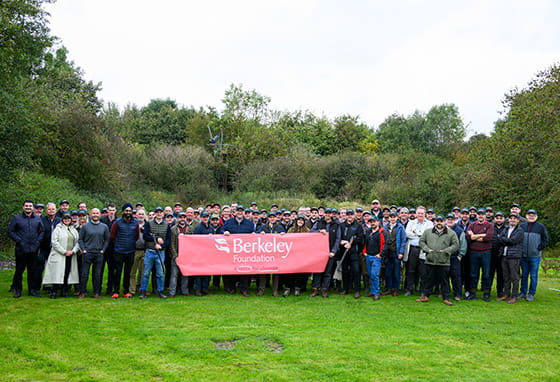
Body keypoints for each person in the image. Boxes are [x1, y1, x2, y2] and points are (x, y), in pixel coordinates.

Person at [416, 214, 459, 306]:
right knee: (428, 279)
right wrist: (427, 249)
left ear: (444, 222)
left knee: (444, 281)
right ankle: (425, 296)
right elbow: (421, 241)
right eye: (437, 221)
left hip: (444, 261)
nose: (439, 223)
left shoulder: (451, 233)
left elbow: (455, 245)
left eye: (441, 221)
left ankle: (446, 298)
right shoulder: (428, 232)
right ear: (434, 222)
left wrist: (446, 251)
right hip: (430, 259)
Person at [8, 200, 44, 298]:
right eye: (26, 206)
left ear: (33, 208)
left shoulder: (37, 219)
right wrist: (19, 240)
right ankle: (18, 290)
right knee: (19, 271)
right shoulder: (16, 218)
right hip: (21, 249)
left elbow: (42, 231)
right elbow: (10, 232)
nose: (28, 207)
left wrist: (38, 241)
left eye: (30, 206)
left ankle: (31, 290)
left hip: (33, 249)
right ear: (23, 207)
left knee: (32, 271)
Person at [42, 212, 80, 298]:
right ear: (62, 220)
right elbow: (54, 242)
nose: (67, 220)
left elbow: (78, 242)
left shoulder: (73, 230)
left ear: (71, 219)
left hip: (71, 255)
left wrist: (73, 251)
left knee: (67, 273)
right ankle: (54, 292)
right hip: (60, 255)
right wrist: (64, 251)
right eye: (65, 218)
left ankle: (63, 291)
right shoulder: (58, 229)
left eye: (68, 218)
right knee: (57, 274)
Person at [222, 205, 256, 296]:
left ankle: (244, 289)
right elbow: (222, 229)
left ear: (244, 212)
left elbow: (253, 232)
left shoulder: (249, 223)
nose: (240, 212)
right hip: (232, 250)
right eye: (238, 211)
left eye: (241, 211)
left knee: (245, 270)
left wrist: (253, 233)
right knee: (232, 270)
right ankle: (232, 288)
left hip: (245, 251)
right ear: (235, 212)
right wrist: (224, 232)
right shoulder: (229, 222)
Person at [139, 206, 171, 299]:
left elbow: (168, 239)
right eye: (157, 212)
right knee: (146, 273)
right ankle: (143, 291)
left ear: (163, 213)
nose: (159, 213)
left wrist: (162, 246)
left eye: (161, 212)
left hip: (160, 252)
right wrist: (156, 240)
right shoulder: (149, 223)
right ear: (155, 213)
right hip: (150, 251)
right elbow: (145, 236)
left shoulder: (166, 225)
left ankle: (160, 291)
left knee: (160, 273)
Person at [78, 208, 110, 298]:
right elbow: (80, 239)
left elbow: (107, 240)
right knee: (84, 274)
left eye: (97, 213)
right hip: (87, 253)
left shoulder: (104, 227)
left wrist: (103, 250)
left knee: (97, 274)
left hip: (99, 253)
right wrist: (83, 250)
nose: (95, 215)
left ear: (99, 215)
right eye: (93, 213)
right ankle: (82, 292)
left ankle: (96, 293)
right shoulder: (85, 226)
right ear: (90, 215)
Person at [109, 203, 139, 299]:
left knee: (128, 272)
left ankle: (126, 291)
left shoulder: (135, 223)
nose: (128, 212)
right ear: (123, 211)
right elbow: (112, 236)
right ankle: (116, 291)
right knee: (117, 272)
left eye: (130, 211)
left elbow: (137, 236)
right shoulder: (117, 222)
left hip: (130, 251)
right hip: (118, 251)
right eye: (126, 211)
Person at [310, 208, 341, 298]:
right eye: (326, 213)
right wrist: (319, 231)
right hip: (319, 252)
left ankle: (324, 290)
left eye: (329, 213)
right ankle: (315, 289)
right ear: (323, 213)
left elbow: (338, 239)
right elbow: (311, 232)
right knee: (317, 271)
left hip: (330, 252)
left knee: (328, 272)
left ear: (331, 214)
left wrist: (334, 251)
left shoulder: (336, 224)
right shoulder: (318, 222)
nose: (327, 214)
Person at [519, 209, 549, 301]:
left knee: (533, 276)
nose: (531, 217)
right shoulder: (521, 226)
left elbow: (545, 239)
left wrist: (538, 248)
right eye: (529, 215)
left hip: (535, 256)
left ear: (536, 216)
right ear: (526, 216)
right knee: (524, 275)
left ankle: (531, 294)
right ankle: (523, 293)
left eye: (533, 215)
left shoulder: (540, 227)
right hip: (523, 255)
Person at [465, 209, 494, 302]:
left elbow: (488, 237)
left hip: (486, 252)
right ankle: (473, 293)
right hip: (474, 252)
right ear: (477, 215)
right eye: (479, 214)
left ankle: (486, 294)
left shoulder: (490, 225)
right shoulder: (472, 225)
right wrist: (481, 235)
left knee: (486, 274)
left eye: (482, 214)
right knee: (473, 274)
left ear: (485, 215)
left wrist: (475, 236)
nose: (480, 216)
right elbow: (468, 237)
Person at [404, 206, 433, 296]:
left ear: (425, 214)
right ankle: (409, 289)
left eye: (422, 213)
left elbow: (428, 235)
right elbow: (407, 233)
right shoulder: (411, 223)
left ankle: (423, 290)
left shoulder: (429, 224)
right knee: (410, 270)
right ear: (416, 214)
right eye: (419, 213)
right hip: (412, 249)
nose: (420, 215)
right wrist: (420, 234)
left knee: (423, 271)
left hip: (423, 250)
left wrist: (416, 233)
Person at [495, 213, 524, 303]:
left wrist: (503, 239)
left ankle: (514, 296)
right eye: (511, 218)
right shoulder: (506, 229)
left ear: (518, 220)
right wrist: (503, 240)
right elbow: (499, 239)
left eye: (514, 218)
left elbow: (513, 241)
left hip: (514, 256)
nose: (512, 220)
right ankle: (506, 294)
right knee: (506, 276)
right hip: (504, 255)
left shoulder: (520, 231)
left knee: (514, 277)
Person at [192, 213, 223, 296]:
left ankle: (205, 288)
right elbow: (196, 241)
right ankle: (198, 289)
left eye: (207, 217)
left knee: (207, 272)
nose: (205, 218)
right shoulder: (198, 228)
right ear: (201, 218)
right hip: (200, 253)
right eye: (204, 217)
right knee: (199, 272)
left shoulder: (211, 228)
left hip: (208, 253)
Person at [338, 208, 365, 299]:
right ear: (345, 215)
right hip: (344, 252)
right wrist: (342, 242)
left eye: (351, 214)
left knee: (356, 271)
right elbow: (338, 238)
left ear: (354, 215)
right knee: (345, 271)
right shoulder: (341, 225)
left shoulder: (358, 226)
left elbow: (360, 238)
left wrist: (352, 243)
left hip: (354, 252)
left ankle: (357, 290)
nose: (349, 216)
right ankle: (346, 289)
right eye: (348, 214)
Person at [259, 211, 286, 296]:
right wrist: (260, 234)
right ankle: (261, 290)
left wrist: (283, 235)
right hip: (265, 253)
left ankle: (275, 291)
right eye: (270, 217)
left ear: (276, 218)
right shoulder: (263, 227)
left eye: (273, 217)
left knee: (276, 273)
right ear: (268, 218)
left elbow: (286, 239)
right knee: (263, 272)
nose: (272, 218)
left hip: (276, 254)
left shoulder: (280, 227)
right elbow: (256, 236)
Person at [363, 216, 387, 300]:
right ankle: (372, 291)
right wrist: (364, 252)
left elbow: (386, 244)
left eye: (374, 221)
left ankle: (376, 293)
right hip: (368, 256)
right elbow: (365, 242)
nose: (372, 223)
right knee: (370, 274)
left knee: (374, 275)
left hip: (377, 257)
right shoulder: (368, 231)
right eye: (371, 221)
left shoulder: (382, 232)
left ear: (378, 222)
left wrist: (381, 254)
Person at [382, 211, 406, 296]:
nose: (392, 218)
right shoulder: (385, 227)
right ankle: (389, 288)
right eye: (391, 217)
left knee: (396, 272)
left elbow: (403, 241)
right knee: (388, 272)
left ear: (397, 218)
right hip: (387, 253)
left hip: (396, 252)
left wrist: (401, 252)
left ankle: (395, 289)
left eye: (394, 217)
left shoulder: (400, 227)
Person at [285, 215, 310, 297]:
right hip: (292, 254)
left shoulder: (307, 230)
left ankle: (297, 288)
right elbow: (286, 239)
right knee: (289, 272)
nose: (300, 221)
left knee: (300, 272)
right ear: (296, 221)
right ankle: (288, 288)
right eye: (298, 220)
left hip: (302, 254)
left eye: (302, 220)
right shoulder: (291, 230)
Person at [446, 213, 467, 301]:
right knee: (444, 276)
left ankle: (457, 294)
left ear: (455, 220)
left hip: (455, 257)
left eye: (452, 219)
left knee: (456, 276)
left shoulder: (459, 230)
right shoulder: (442, 229)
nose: (450, 221)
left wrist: (460, 255)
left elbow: (463, 244)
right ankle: (445, 293)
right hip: (444, 257)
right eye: (448, 219)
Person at [129, 208, 146, 295]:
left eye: (142, 214)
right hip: (134, 250)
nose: (141, 216)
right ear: (136, 215)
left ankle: (142, 289)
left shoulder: (147, 225)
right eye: (139, 214)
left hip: (144, 250)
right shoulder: (132, 224)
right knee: (132, 271)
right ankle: (132, 290)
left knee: (143, 272)